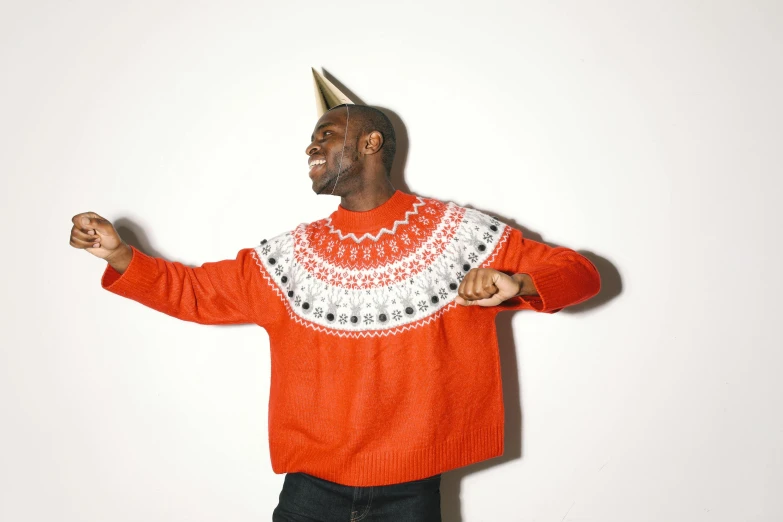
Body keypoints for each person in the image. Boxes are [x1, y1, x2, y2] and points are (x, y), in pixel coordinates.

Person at [68, 73, 601, 521]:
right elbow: (196, 292)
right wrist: (120, 257)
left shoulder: (459, 234)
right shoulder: (291, 257)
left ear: (371, 143)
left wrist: (518, 283)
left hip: (412, 491)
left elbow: (578, 273)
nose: (310, 146)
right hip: (309, 492)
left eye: (326, 133)